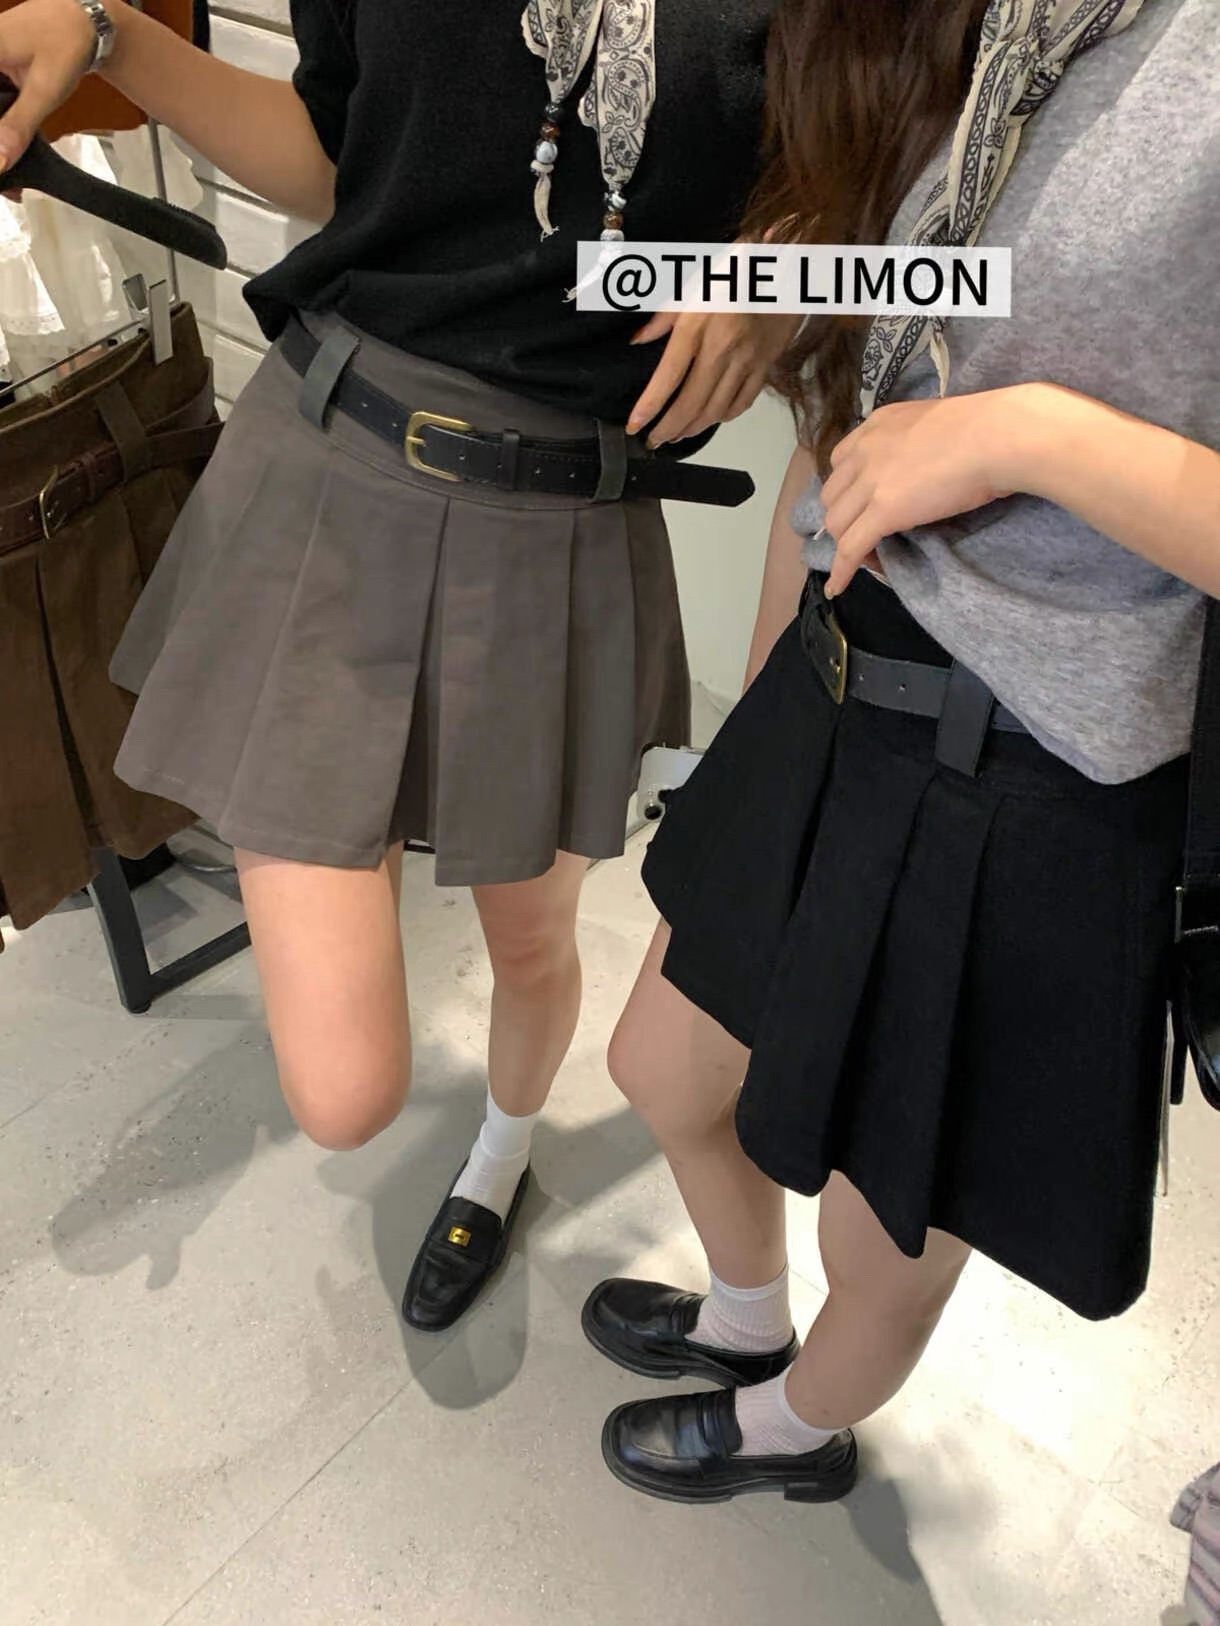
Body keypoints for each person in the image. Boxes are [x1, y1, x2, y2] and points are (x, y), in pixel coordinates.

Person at [0, 0, 793, 1331]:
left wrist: (787, 275)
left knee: (531, 944)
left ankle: (500, 1155)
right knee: (345, 1089)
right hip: (332, 468)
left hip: (561, 520)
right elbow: (336, 153)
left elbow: (934, 223)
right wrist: (113, 38)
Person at [583, 0, 1220, 1505]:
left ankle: (794, 1425)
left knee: (883, 1231)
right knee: (662, 1065)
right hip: (840, 665)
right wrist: (790, 273)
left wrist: (1026, 438)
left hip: (1036, 769)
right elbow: (909, 328)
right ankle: (747, 1318)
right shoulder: (993, 24)